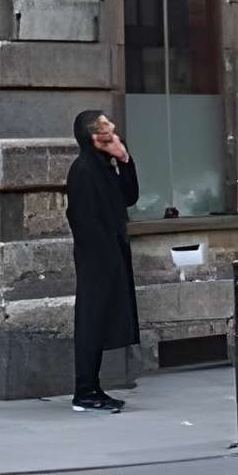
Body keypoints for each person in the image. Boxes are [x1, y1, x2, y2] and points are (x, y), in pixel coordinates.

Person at [65, 109, 140, 413]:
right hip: (97, 257)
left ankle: (93, 387)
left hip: (110, 252)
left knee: (100, 320)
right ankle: (84, 391)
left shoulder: (102, 165)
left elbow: (129, 197)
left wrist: (124, 160)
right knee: (91, 321)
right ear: (94, 136)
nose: (114, 128)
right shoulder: (83, 169)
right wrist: (104, 255)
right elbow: (82, 221)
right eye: (106, 126)